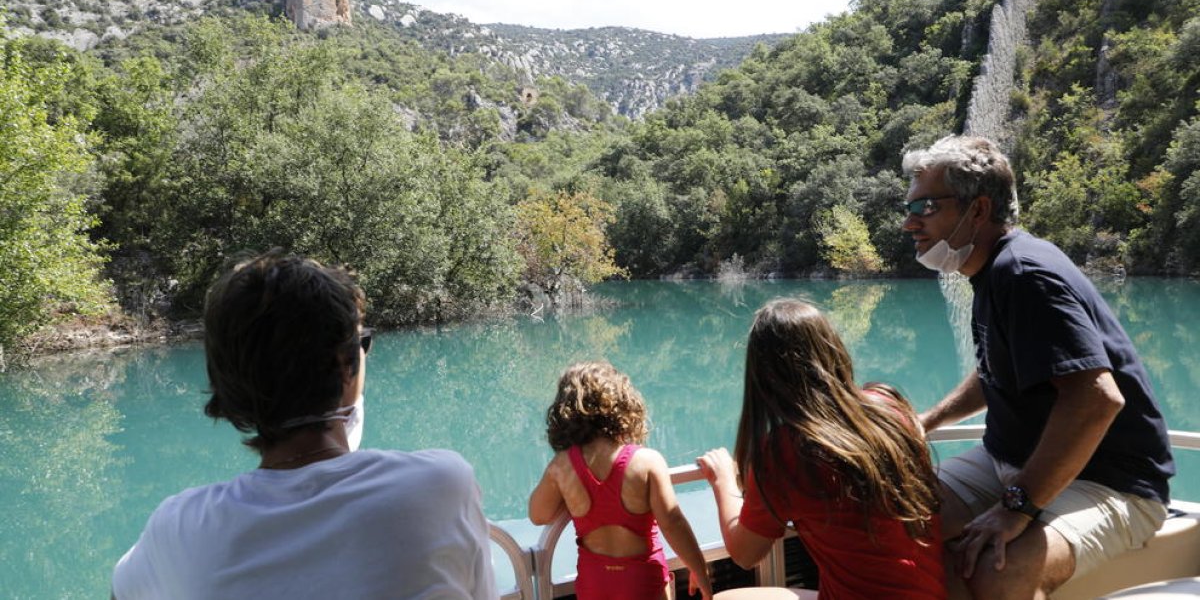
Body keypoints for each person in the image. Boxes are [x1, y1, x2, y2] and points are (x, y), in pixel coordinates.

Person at [111, 251, 495, 599]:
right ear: (346, 364)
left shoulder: (179, 528)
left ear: (225, 380)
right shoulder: (441, 485)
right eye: (362, 343)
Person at [901, 135, 1176, 599]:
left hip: (1111, 480)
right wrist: (929, 419)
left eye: (925, 207)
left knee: (998, 570)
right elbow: (1000, 366)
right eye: (909, 207)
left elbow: (1096, 399)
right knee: (897, 521)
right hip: (1008, 458)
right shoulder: (990, 271)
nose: (910, 222)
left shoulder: (1025, 274)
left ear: (978, 210)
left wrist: (1017, 507)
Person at [698, 298, 945, 600]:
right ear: (833, 350)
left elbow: (745, 554)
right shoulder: (888, 407)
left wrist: (723, 479)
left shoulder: (784, 450)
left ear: (764, 376)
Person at [529, 361, 713, 600]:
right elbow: (672, 522)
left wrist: (570, 492)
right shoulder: (647, 461)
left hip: (594, 581)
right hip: (641, 579)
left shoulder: (561, 467)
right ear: (623, 405)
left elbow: (538, 515)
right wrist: (699, 570)